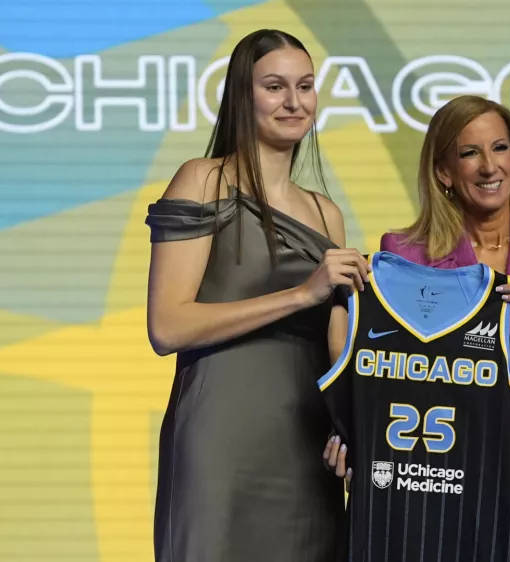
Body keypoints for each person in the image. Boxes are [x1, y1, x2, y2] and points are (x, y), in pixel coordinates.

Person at [324, 95, 510, 561]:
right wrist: (353, 429)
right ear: (444, 172)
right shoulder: (405, 254)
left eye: (500, 148)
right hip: (446, 493)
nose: (488, 167)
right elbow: (384, 367)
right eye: (469, 153)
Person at [145, 29, 370, 562]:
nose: (294, 102)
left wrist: (361, 431)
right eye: (274, 87)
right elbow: (167, 327)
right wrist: (302, 294)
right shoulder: (202, 180)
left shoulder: (324, 212)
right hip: (220, 443)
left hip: (306, 449)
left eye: (306, 86)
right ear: (242, 97)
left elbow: (339, 350)